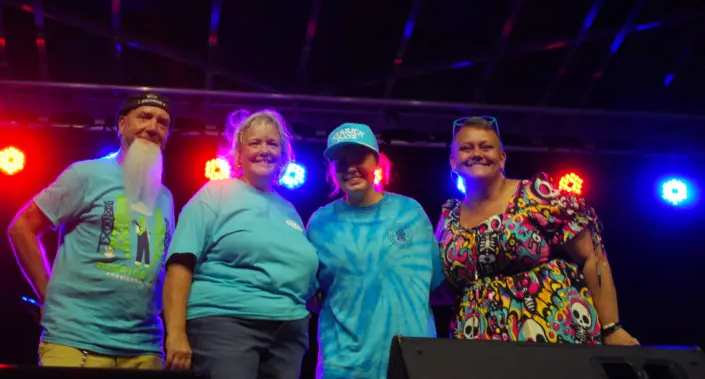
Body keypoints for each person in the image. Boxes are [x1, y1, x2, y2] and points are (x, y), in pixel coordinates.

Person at [7, 93, 176, 368]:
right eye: (144, 117)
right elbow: (22, 227)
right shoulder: (87, 174)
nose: (153, 127)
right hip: (76, 342)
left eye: (163, 122)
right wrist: (48, 295)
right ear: (122, 124)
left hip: (144, 348)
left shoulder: (165, 196)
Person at [435, 116, 638, 345]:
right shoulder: (449, 218)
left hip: (550, 334)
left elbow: (592, 256)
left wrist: (611, 328)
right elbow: (443, 287)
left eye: (486, 147)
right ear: (453, 161)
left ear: (502, 158)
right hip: (477, 340)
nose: (477, 154)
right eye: (466, 148)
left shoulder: (534, 194)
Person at [162, 109, 319, 379]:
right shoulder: (215, 193)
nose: (264, 150)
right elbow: (180, 264)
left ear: (283, 155)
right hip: (225, 325)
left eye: (272, 143)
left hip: (288, 334)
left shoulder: (289, 210)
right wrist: (175, 334)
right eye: (255, 143)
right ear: (238, 154)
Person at [306, 123, 445, 379]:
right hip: (344, 367)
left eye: (359, 158)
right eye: (341, 161)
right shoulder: (320, 223)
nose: (350, 168)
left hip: (411, 361)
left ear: (377, 161)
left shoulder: (410, 213)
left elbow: (436, 284)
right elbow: (309, 294)